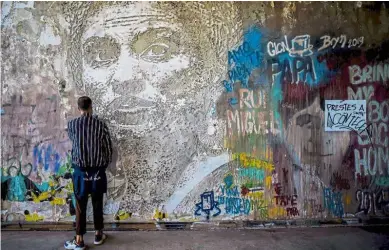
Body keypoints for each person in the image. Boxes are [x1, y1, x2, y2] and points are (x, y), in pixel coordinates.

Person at [64, 96, 112, 250]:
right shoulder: (100, 124)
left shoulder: (72, 125)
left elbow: (74, 143)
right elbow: (108, 148)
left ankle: (79, 241)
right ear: (91, 106)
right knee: (97, 202)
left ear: (79, 108)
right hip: (97, 170)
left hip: (80, 172)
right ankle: (98, 234)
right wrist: (103, 164)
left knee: (80, 205)